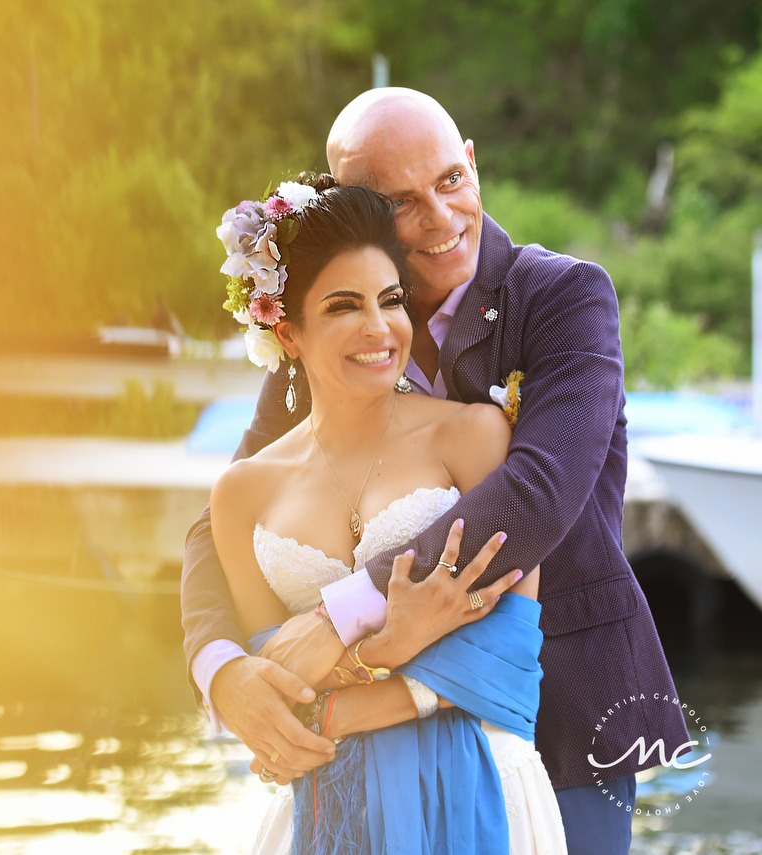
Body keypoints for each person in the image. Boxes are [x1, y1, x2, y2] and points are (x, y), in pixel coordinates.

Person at [183, 88, 688, 855]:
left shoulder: (563, 297)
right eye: (402, 202)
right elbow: (221, 519)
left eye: (452, 180)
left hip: (560, 691)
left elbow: (537, 493)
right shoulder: (336, 332)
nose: (441, 217)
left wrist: (338, 619)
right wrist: (223, 670)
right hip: (370, 746)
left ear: (474, 163)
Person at [211, 177, 567, 854]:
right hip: (323, 802)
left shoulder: (473, 436)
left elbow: (510, 659)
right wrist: (390, 648)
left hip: (483, 783)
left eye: (391, 299)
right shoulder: (242, 495)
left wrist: (349, 680)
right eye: (345, 306)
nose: (379, 328)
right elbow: (274, 694)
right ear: (287, 330)